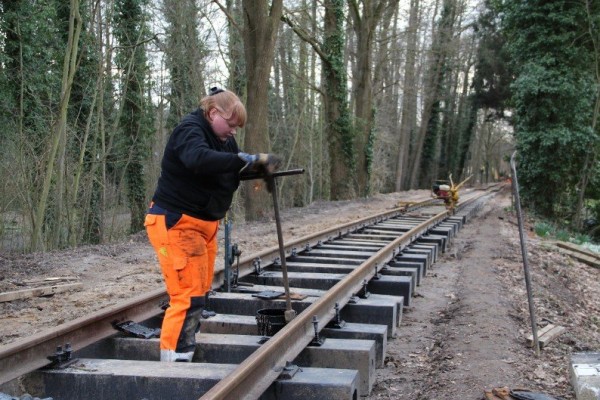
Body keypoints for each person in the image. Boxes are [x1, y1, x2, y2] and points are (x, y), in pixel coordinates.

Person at [145, 87, 280, 362]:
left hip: (204, 226)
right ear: (213, 112)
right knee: (187, 296)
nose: (233, 132)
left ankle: (185, 351)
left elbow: (233, 164)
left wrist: (258, 166)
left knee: (200, 292)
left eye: (236, 128)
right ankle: (175, 362)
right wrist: (242, 159)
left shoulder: (225, 140)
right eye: (230, 124)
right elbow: (198, 159)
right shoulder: (190, 130)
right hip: (177, 223)